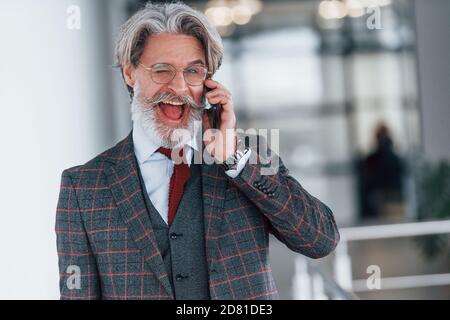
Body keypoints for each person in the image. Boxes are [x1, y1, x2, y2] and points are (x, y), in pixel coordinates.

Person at [55, 1, 339, 300]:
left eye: (193, 71)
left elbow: (320, 240)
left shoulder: (249, 156)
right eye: (161, 70)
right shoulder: (83, 187)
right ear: (129, 73)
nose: (178, 88)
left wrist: (234, 158)